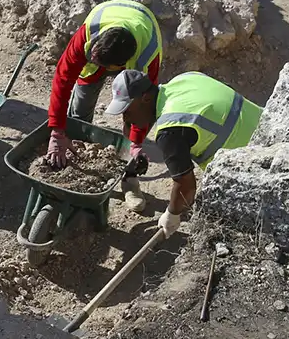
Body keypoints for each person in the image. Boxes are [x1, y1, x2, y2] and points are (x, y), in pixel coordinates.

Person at [103, 69, 263, 236]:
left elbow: (186, 187)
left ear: (146, 98)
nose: (125, 118)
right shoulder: (186, 78)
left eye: (126, 111)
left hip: (256, 170)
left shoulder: (170, 129)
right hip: (271, 124)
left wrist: (172, 214)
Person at [46, 0, 164, 168]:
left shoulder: (147, 58)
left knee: (134, 112)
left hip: (143, 25)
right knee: (81, 105)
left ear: (119, 67)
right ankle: (78, 140)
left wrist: (136, 143)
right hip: (108, 20)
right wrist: (57, 131)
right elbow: (63, 79)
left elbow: (145, 105)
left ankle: (126, 147)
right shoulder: (87, 35)